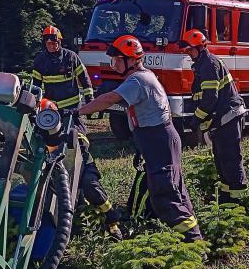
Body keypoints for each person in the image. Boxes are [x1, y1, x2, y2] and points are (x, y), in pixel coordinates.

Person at [78, 35, 202, 242]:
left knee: (165, 193)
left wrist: (78, 111)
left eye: (117, 59)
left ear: (130, 60)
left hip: (159, 140)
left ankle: (194, 241)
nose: (114, 64)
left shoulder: (138, 80)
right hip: (155, 139)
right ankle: (188, 236)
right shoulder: (139, 78)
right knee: (172, 189)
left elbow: (109, 99)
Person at [32, 25, 121, 239]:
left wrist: (89, 101)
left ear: (60, 41)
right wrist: (36, 107)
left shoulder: (71, 58)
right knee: (52, 157)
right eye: (47, 42)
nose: (51, 45)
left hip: (74, 115)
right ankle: (65, 204)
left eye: (54, 41)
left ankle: (95, 207)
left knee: (79, 151)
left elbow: (85, 79)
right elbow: (36, 88)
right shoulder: (40, 61)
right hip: (52, 115)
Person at [180, 29, 247, 203]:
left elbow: (210, 98)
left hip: (228, 117)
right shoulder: (202, 65)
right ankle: (226, 197)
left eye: (189, 50)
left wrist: (196, 119)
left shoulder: (209, 65)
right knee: (221, 160)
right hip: (222, 119)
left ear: (200, 47)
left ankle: (237, 202)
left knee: (231, 159)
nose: (187, 53)